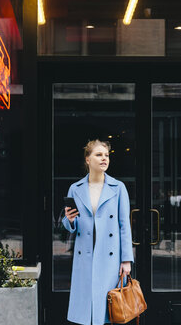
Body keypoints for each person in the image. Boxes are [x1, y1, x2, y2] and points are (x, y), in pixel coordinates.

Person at [62, 139, 134, 325]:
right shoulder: (75, 188)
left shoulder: (118, 188)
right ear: (87, 159)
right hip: (85, 256)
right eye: (98, 155)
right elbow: (71, 224)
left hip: (109, 257)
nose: (104, 159)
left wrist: (126, 260)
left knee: (108, 309)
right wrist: (69, 220)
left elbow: (124, 225)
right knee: (86, 310)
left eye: (106, 155)